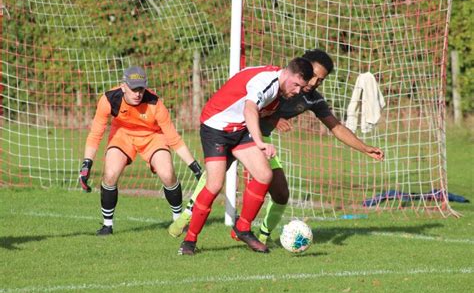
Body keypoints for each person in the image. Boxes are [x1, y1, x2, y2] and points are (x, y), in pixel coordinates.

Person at [170, 49, 384, 245]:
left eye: (321, 79)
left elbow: (336, 127)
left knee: (280, 192)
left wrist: (364, 148)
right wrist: (274, 119)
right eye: (314, 76)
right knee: (215, 178)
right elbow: (251, 105)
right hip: (238, 132)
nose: (316, 82)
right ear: (303, 68)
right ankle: (186, 221)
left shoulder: (311, 99)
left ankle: (260, 235)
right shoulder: (281, 84)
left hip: (258, 141)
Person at [177, 57, 314, 255]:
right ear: (287, 73)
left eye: (302, 88)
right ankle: (189, 241)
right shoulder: (267, 82)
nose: (297, 91)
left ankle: (242, 228)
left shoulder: (281, 87)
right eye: (296, 85)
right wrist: (259, 142)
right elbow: (250, 108)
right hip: (216, 126)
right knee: (214, 185)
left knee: (264, 175)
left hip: (239, 129)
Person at [79, 66, 203, 236]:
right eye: (133, 89)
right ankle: (107, 225)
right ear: (123, 86)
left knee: (167, 174)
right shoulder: (109, 99)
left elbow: (173, 138)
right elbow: (95, 134)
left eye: (141, 89)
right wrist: (87, 163)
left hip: (152, 136)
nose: (138, 94)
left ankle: (177, 219)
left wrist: (195, 168)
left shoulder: (155, 103)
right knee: (110, 174)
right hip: (122, 135)